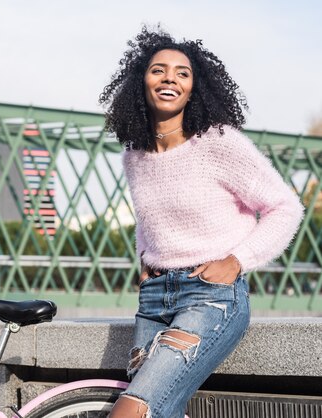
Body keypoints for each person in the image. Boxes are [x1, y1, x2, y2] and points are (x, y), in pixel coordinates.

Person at [98, 27, 304, 418]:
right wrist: (144, 258)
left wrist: (238, 260)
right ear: (141, 81)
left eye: (182, 73)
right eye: (158, 70)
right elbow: (148, 218)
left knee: (134, 410)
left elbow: (285, 206)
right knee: (163, 411)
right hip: (154, 299)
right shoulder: (135, 157)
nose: (170, 78)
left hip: (210, 296)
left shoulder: (217, 143)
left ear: (194, 88)